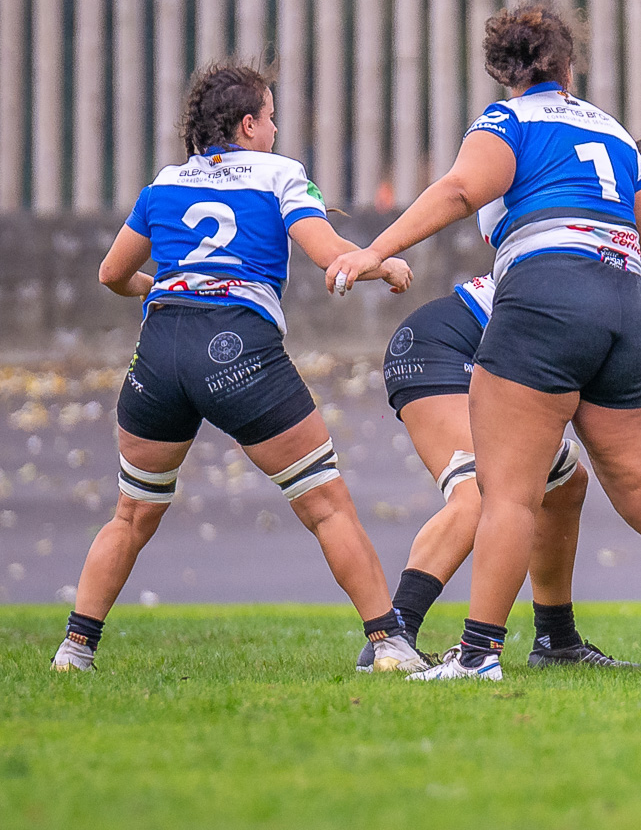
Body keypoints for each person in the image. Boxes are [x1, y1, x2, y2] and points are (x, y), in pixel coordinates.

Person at [325, 0, 641, 680]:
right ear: (568, 65)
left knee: (511, 494)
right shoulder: (610, 130)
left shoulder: (505, 121)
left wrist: (377, 248)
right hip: (626, 303)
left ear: (502, 71)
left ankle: (479, 654)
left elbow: (460, 190)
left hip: (547, 294)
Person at [53, 62, 424, 674]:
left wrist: (163, 287)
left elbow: (111, 274)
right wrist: (382, 264)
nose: (277, 130)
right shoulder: (280, 175)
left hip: (160, 350)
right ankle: (388, 643)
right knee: (326, 503)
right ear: (248, 124)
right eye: (272, 117)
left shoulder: (165, 183)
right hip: (236, 348)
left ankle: (75, 649)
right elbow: (329, 255)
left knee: (132, 512)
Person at [372, 270, 631, 672]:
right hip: (441, 347)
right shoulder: (612, 278)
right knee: (482, 491)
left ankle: (555, 640)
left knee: (566, 480)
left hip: (468, 349)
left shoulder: (605, 268)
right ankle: (392, 636)